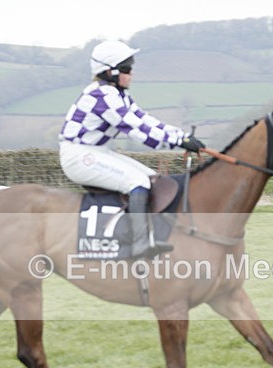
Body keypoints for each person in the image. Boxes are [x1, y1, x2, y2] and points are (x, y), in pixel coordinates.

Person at [59, 40, 205, 258]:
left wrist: (181, 136)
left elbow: (145, 120)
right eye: (127, 69)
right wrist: (178, 142)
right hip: (79, 156)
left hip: (96, 150)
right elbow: (138, 130)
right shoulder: (103, 96)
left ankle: (150, 234)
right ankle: (139, 243)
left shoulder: (117, 94)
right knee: (138, 183)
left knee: (152, 179)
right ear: (110, 72)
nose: (131, 73)